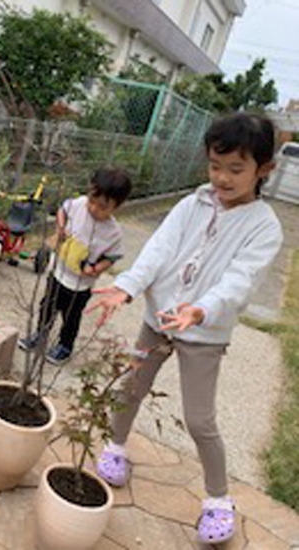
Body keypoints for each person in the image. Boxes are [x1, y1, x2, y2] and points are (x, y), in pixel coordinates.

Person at [85, 112, 283, 544]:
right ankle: (115, 448)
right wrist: (128, 286)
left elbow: (240, 280)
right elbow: (159, 250)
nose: (222, 178)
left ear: (264, 169)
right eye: (215, 166)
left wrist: (202, 310)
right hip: (159, 320)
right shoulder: (191, 204)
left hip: (204, 332)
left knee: (200, 420)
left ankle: (217, 499)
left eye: (236, 169)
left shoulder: (264, 226)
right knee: (130, 388)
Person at [18, 168, 132, 364]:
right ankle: (40, 335)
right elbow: (63, 210)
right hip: (58, 271)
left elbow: (112, 257)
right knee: (47, 307)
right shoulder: (78, 205)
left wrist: (96, 269)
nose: (94, 209)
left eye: (103, 207)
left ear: (117, 206)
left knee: (71, 317)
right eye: (92, 201)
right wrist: (61, 228)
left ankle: (65, 345)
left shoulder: (113, 233)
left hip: (80, 284)